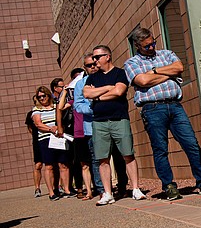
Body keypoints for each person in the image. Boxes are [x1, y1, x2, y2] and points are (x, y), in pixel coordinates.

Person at [125, 27, 201, 200]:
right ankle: (169, 186)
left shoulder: (166, 54)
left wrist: (154, 72)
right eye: (147, 46)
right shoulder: (131, 63)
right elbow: (141, 80)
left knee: (191, 144)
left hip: (175, 105)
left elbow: (179, 67)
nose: (151, 48)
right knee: (160, 149)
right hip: (152, 109)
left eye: (153, 43)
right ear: (137, 46)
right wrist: (167, 73)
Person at [83, 45, 146, 205]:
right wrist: (106, 89)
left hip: (119, 119)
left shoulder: (120, 73)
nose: (94, 61)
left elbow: (119, 92)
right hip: (99, 122)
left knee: (128, 154)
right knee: (102, 158)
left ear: (107, 57)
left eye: (97, 57)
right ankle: (108, 193)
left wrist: (97, 96)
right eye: (93, 58)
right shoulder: (92, 78)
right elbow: (86, 94)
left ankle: (136, 189)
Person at [61, 60, 93, 200]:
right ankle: (82, 188)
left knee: (95, 161)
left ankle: (98, 188)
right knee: (81, 162)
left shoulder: (88, 95)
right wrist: (65, 91)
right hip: (79, 133)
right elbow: (61, 108)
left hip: (90, 130)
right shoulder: (73, 101)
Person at [31, 86, 70, 201]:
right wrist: (50, 129)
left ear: (48, 95)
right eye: (39, 97)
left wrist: (58, 128)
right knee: (49, 166)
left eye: (44, 95)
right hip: (45, 139)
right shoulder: (36, 110)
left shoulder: (56, 107)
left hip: (59, 138)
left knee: (63, 164)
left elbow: (63, 118)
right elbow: (38, 124)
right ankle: (51, 192)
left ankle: (67, 189)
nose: (42, 98)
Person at [25, 96, 43, 198]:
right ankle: (37, 188)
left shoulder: (48, 110)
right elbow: (30, 128)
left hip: (48, 139)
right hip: (37, 141)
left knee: (53, 164)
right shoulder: (31, 114)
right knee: (38, 165)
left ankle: (58, 186)